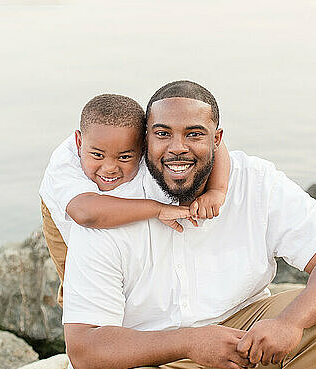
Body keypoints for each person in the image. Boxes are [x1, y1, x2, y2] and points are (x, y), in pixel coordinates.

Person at [63, 81, 316, 369]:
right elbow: (85, 349)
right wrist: (190, 342)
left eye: (194, 134)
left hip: (242, 352)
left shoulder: (255, 181)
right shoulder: (108, 206)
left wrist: (290, 323)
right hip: (145, 366)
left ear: (217, 139)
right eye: (163, 134)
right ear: (145, 139)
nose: (177, 147)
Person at [39, 93, 231, 307]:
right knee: (80, 286)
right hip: (67, 211)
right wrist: (157, 209)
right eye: (97, 156)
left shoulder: (148, 142)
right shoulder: (65, 163)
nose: (109, 168)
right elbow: (86, 213)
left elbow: (218, 145)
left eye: (124, 157)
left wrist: (217, 191)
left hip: (118, 206)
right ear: (79, 142)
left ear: (144, 143)